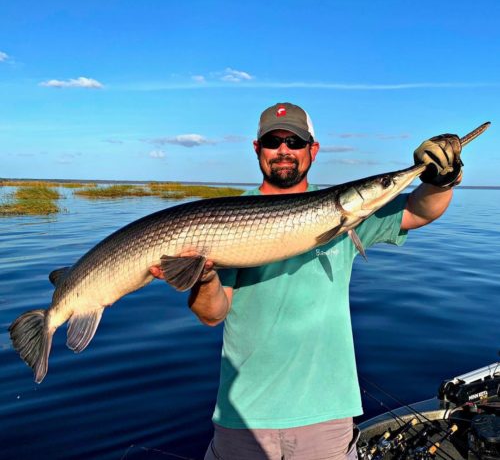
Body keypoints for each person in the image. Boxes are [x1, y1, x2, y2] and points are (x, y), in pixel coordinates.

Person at [150, 102, 464, 460]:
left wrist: (442, 178)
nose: (284, 150)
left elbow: (420, 210)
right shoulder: (224, 221)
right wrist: (203, 277)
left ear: (313, 149)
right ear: (258, 150)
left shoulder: (352, 217)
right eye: (273, 141)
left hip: (326, 416)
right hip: (244, 415)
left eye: (295, 142)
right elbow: (212, 314)